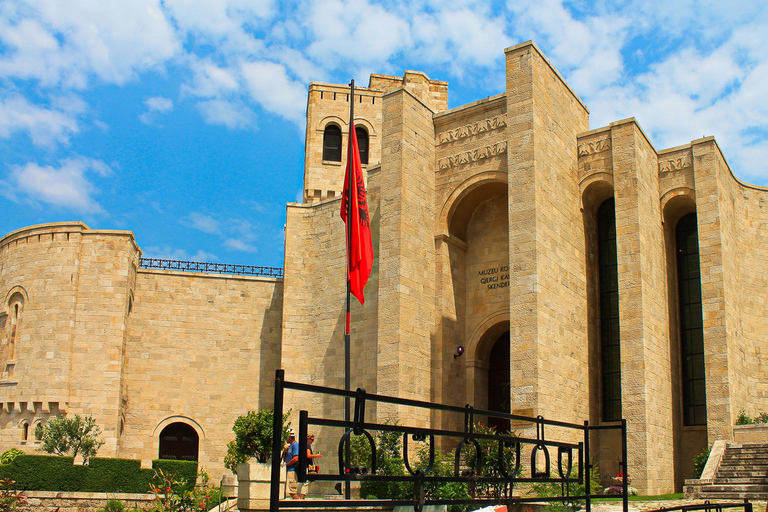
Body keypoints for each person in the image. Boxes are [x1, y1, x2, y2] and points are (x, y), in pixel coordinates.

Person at [300, 433, 322, 499]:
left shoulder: (303, 445)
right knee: (306, 483)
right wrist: (317, 456)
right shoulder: (307, 445)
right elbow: (308, 455)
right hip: (306, 466)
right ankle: (302, 497)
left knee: (305, 482)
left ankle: (302, 497)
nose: (312, 441)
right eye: (311, 440)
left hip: (303, 465)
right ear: (308, 439)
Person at [283, 430, 299, 499]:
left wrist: (287, 465)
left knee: (292, 491)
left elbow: (296, 458)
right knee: (285, 491)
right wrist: (285, 451)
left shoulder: (295, 445)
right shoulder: (290, 446)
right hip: (288, 470)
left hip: (292, 470)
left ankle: (299, 506)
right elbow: (284, 459)